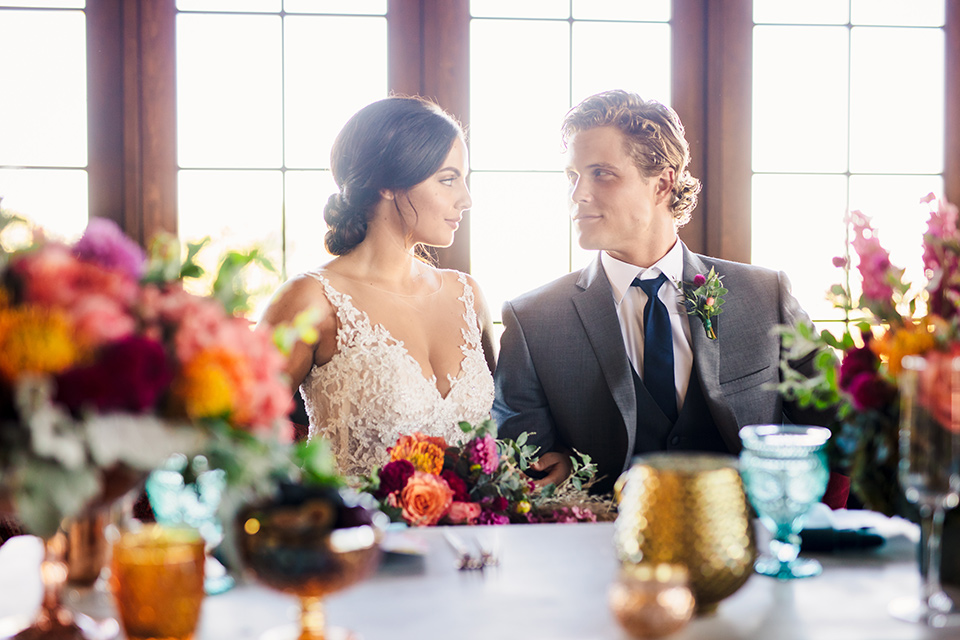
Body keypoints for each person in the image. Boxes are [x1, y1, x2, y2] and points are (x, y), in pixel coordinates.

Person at [493, 89, 830, 495]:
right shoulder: (532, 320)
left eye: (601, 173)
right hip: (603, 548)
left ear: (663, 183)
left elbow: (842, 423)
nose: (578, 194)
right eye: (572, 176)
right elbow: (526, 465)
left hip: (749, 542)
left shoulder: (764, 296)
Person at [259, 96, 496, 477]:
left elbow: (498, 435)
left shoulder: (467, 296)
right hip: (355, 533)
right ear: (387, 183)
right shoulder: (311, 299)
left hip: (471, 535)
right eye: (448, 179)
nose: (466, 199)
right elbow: (237, 438)